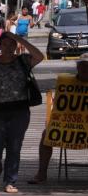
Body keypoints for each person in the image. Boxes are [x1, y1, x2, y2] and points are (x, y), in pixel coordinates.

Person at [0, 32, 44, 193]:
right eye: (5, 44)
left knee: (14, 146)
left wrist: (20, 39)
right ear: (0, 45)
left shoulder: (23, 60)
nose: (8, 47)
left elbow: (40, 56)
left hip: (19, 110)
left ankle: (11, 180)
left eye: (12, 44)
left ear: (16, 45)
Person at [28, 53, 88, 184]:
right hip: (65, 126)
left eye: (87, 66)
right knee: (46, 135)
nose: (85, 69)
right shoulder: (65, 82)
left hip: (86, 127)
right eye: (82, 65)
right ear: (77, 67)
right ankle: (41, 173)